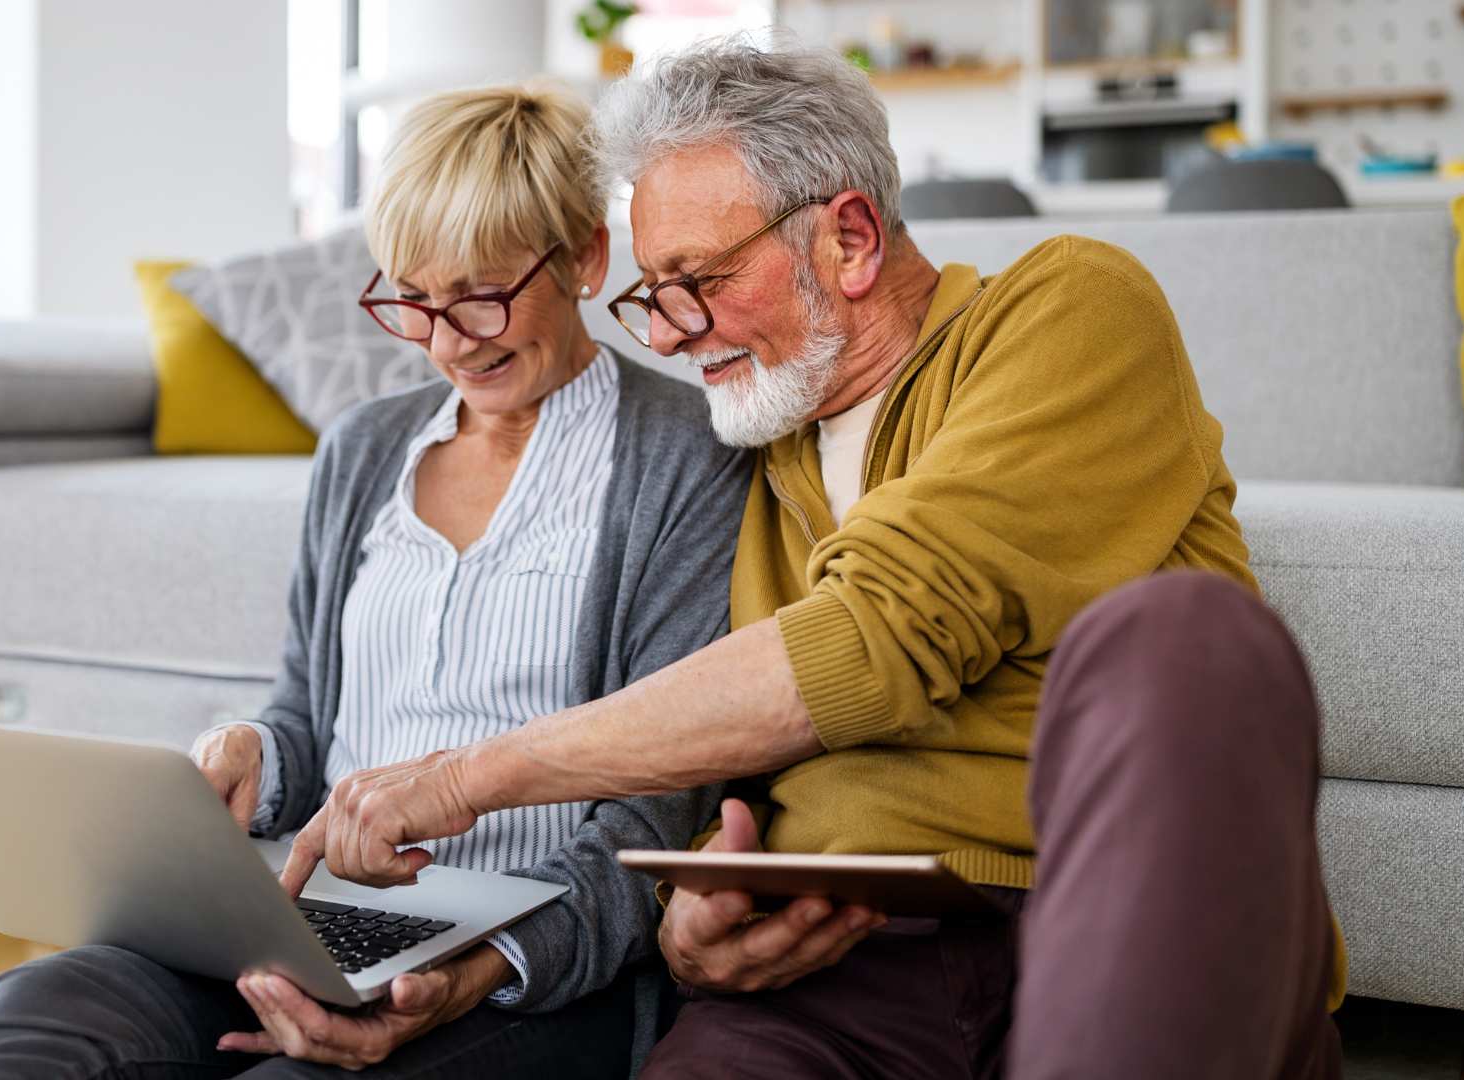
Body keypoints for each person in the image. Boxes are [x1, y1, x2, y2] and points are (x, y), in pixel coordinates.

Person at [276, 39, 1346, 1079]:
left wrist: (469, 779)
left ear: (848, 238)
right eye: (652, 295)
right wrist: (686, 918)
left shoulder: (1069, 307)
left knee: (1184, 639)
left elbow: (879, 635)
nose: (674, 335)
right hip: (836, 970)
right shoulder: (746, 446)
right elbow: (693, 754)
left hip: (1096, 915)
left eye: (696, 280)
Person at [0, 82, 751, 1078]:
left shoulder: (687, 461)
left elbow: (651, 817)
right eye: (415, 299)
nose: (451, 340)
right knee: (55, 1004)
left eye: (484, 294)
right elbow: (306, 720)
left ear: (583, 257)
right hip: (314, 920)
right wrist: (252, 754)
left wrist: (474, 966)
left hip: (530, 962)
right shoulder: (365, 449)